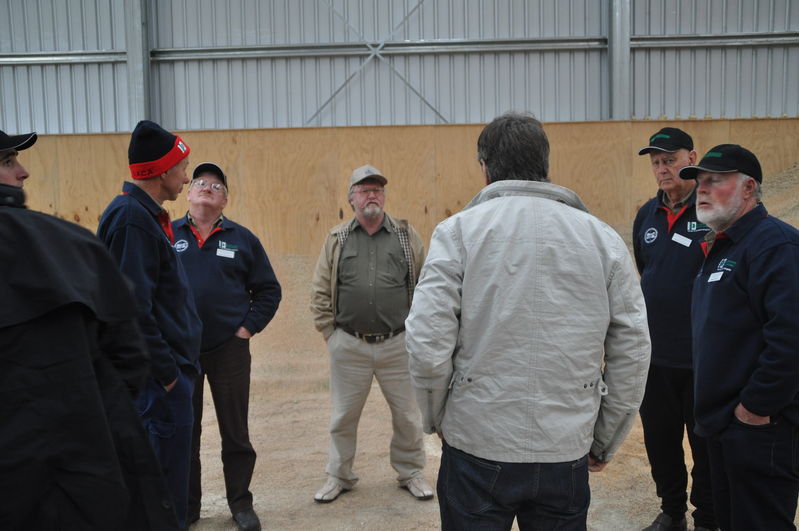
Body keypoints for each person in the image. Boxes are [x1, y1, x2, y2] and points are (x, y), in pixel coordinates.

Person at [405, 112, 652, 530]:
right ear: (545, 166)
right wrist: (605, 440)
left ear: (485, 168)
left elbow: (427, 343)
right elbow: (633, 348)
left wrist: (436, 418)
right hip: (564, 447)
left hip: (478, 442)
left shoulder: (458, 233)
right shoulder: (602, 239)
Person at [0, 130, 178, 530]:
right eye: (9, 161)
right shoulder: (68, 243)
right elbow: (129, 350)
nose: (23, 172)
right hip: (75, 478)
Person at [679, 145, 799, 530]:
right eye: (699, 182)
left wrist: (755, 408)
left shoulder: (775, 245)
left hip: (759, 431)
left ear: (748, 189)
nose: (701, 189)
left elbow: (790, 338)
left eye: (715, 180)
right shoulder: (725, 245)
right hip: (722, 428)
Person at [97, 120, 203, 529]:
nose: (186, 177)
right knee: (162, 490)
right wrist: (167, 375)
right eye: (182, 168)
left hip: (165, 377)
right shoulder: (131, 220)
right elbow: (132, 308)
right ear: (160, 172)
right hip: (158, 383)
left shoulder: (140, 214)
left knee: (166, 484)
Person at [309, 164, 434, 503]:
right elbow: (320, 290)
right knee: (343, 417)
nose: (372, 195)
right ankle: (339, 476)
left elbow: (427, 287)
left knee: (408, 415)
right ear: (351, 198)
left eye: (377, 189)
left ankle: (410, 472)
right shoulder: (337, 239)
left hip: (398, 344)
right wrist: (330, 335)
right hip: (348, 345)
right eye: (364, 190)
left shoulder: (407, 238)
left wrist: (416, 335)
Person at [172, 162, 282, 531]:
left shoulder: (242, 239)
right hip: (180, 353)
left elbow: (268, 290)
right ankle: (187, 508)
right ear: (188, 193)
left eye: (215, 186)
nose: (206, 188)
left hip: (229, 351)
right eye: (199, 182)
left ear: (225, 200)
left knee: (235, 432)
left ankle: (240, 503)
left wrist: (246, 330)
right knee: (185, 431)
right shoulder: (166, 235)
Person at [633, 127, 717, 531]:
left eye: (669, 159)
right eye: (656, 163)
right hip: (656, 357)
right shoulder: (645, 216)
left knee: (705, 445)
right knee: (660, 441)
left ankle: (707, 518)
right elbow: (645, 270)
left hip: (702, 358)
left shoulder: (712, 212)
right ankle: (672, 511)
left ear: (691, 157)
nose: (662, 169)